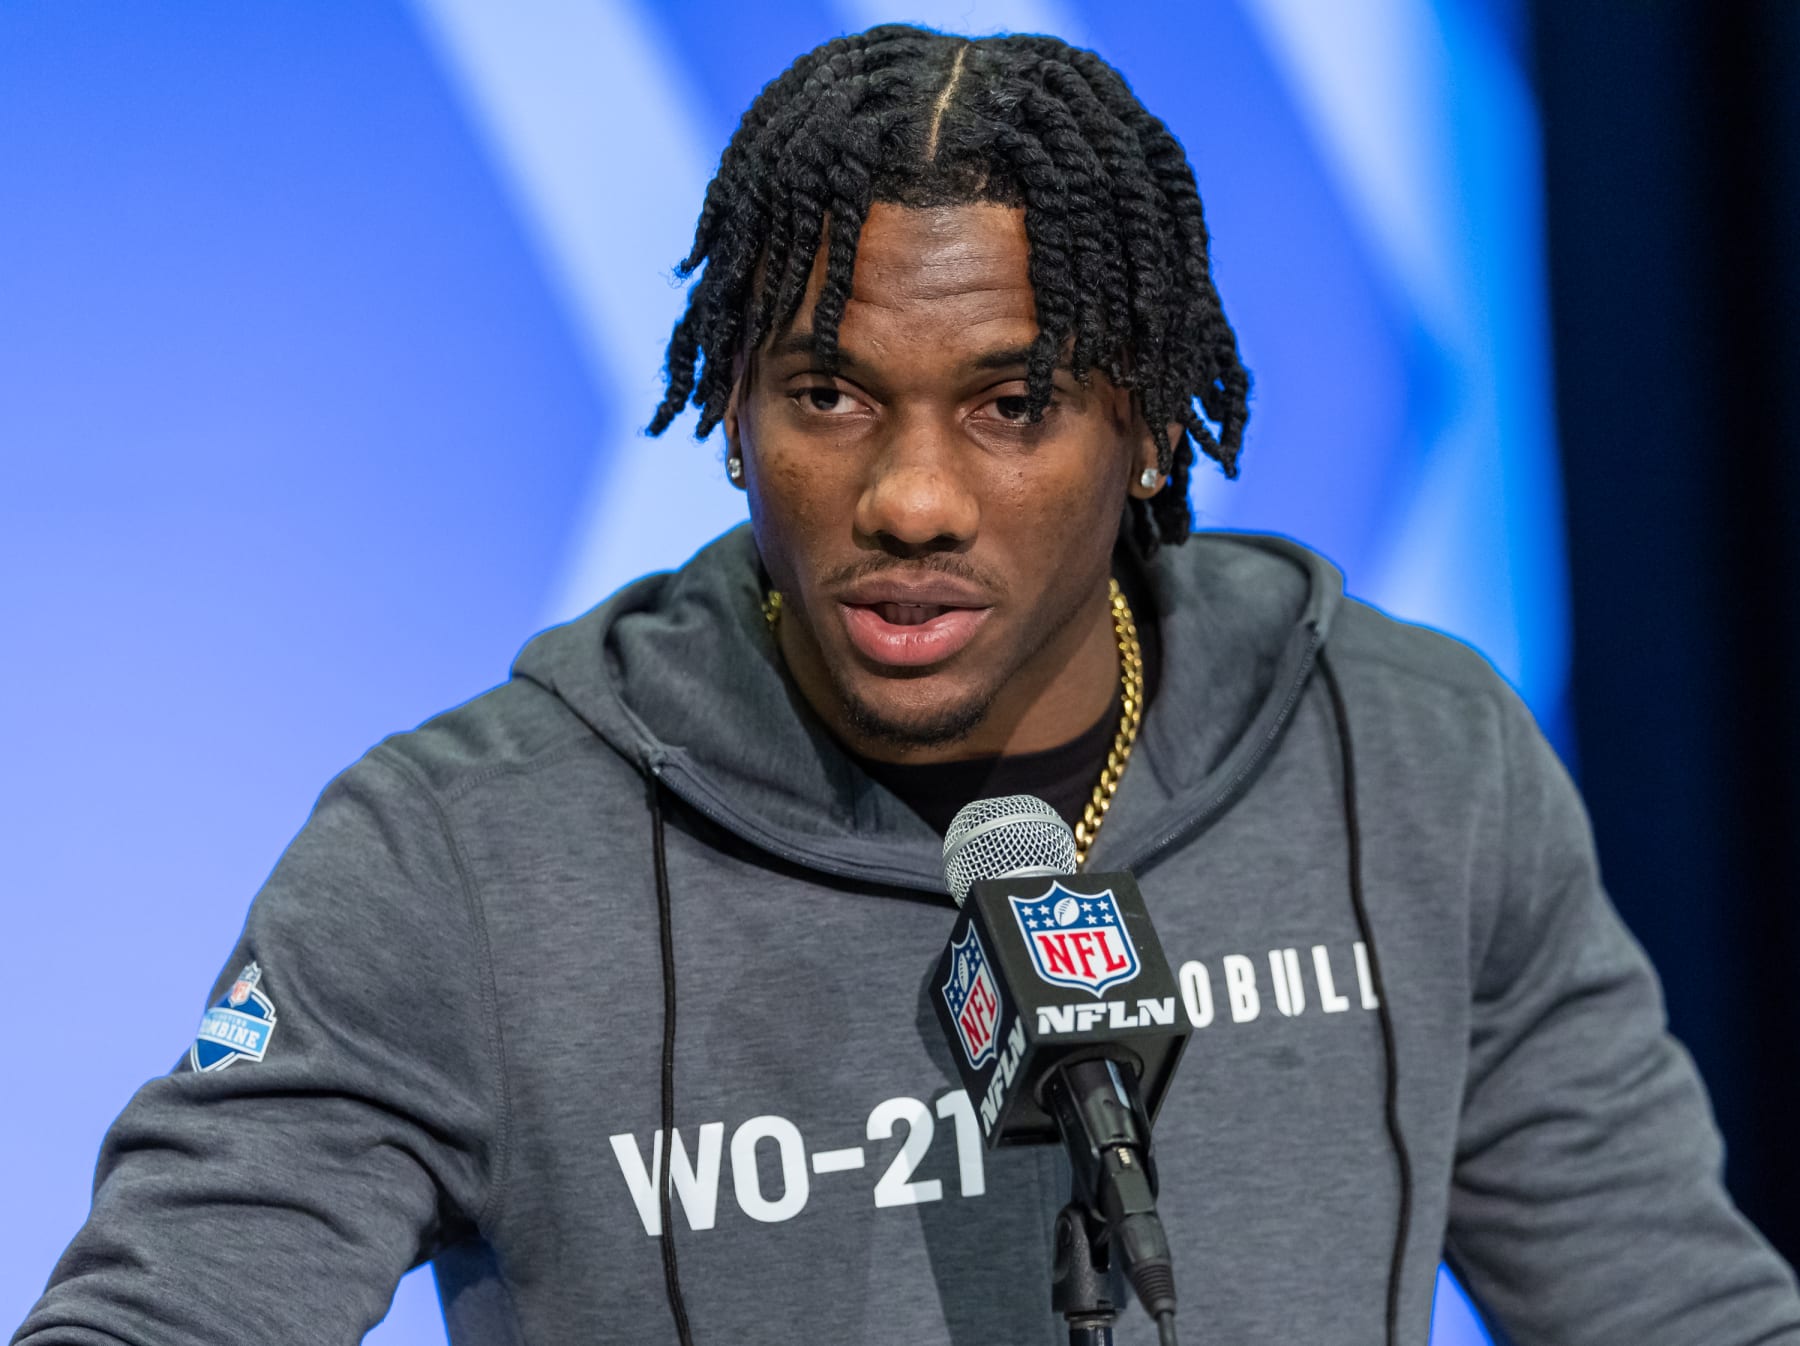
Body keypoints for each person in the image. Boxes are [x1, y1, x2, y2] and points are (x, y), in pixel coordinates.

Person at [14, 24, 1800, 1346]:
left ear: (1154, 429)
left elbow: (1674, 1309)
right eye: (831, 392)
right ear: (730, 409)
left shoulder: (1409, 755)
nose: (911, 500)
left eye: (1012, 403)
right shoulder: (460, 857)